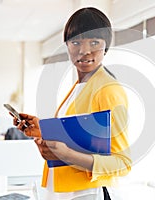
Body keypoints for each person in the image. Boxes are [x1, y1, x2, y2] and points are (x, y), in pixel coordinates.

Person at [13, 7, 131, 200]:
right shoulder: (79, 85)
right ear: (67, 46)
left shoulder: (108, 90)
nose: (84, 51)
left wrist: (67, 155)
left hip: (86, 193)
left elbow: (123, 163)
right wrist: (40, 128)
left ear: (106, 46)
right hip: (64, 192)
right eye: (76, 42)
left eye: (94, 42)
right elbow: (78, 136)